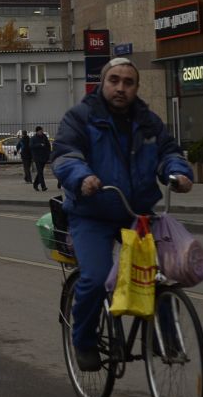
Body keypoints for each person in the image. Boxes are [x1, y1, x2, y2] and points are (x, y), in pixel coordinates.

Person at [52, 58, 192, 372]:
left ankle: (165, 338)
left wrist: (178, 173)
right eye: (114, 80)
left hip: (136, 212)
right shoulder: (80, 117)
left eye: (128, 82)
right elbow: (65, 155)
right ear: (102, 84)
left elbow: (168, 151)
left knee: (160, 274)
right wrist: (82, 178)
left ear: (136, 88)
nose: (120, 88)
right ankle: (84, 341)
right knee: (97, 276)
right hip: (92, 213)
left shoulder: (148, 122)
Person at [27, 125, 52, 192]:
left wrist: (49, 153)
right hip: (37, 157)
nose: (41, 132)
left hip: (44, 157)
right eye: (40, 131)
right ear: (37, 131)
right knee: (40, 172)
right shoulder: (33, 138)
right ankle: (43, 186)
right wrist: (39, 145)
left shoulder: (44, 137)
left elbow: (48, 145)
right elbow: (31, 146)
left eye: (42, 131)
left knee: (40, 172)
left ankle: (35, 184)